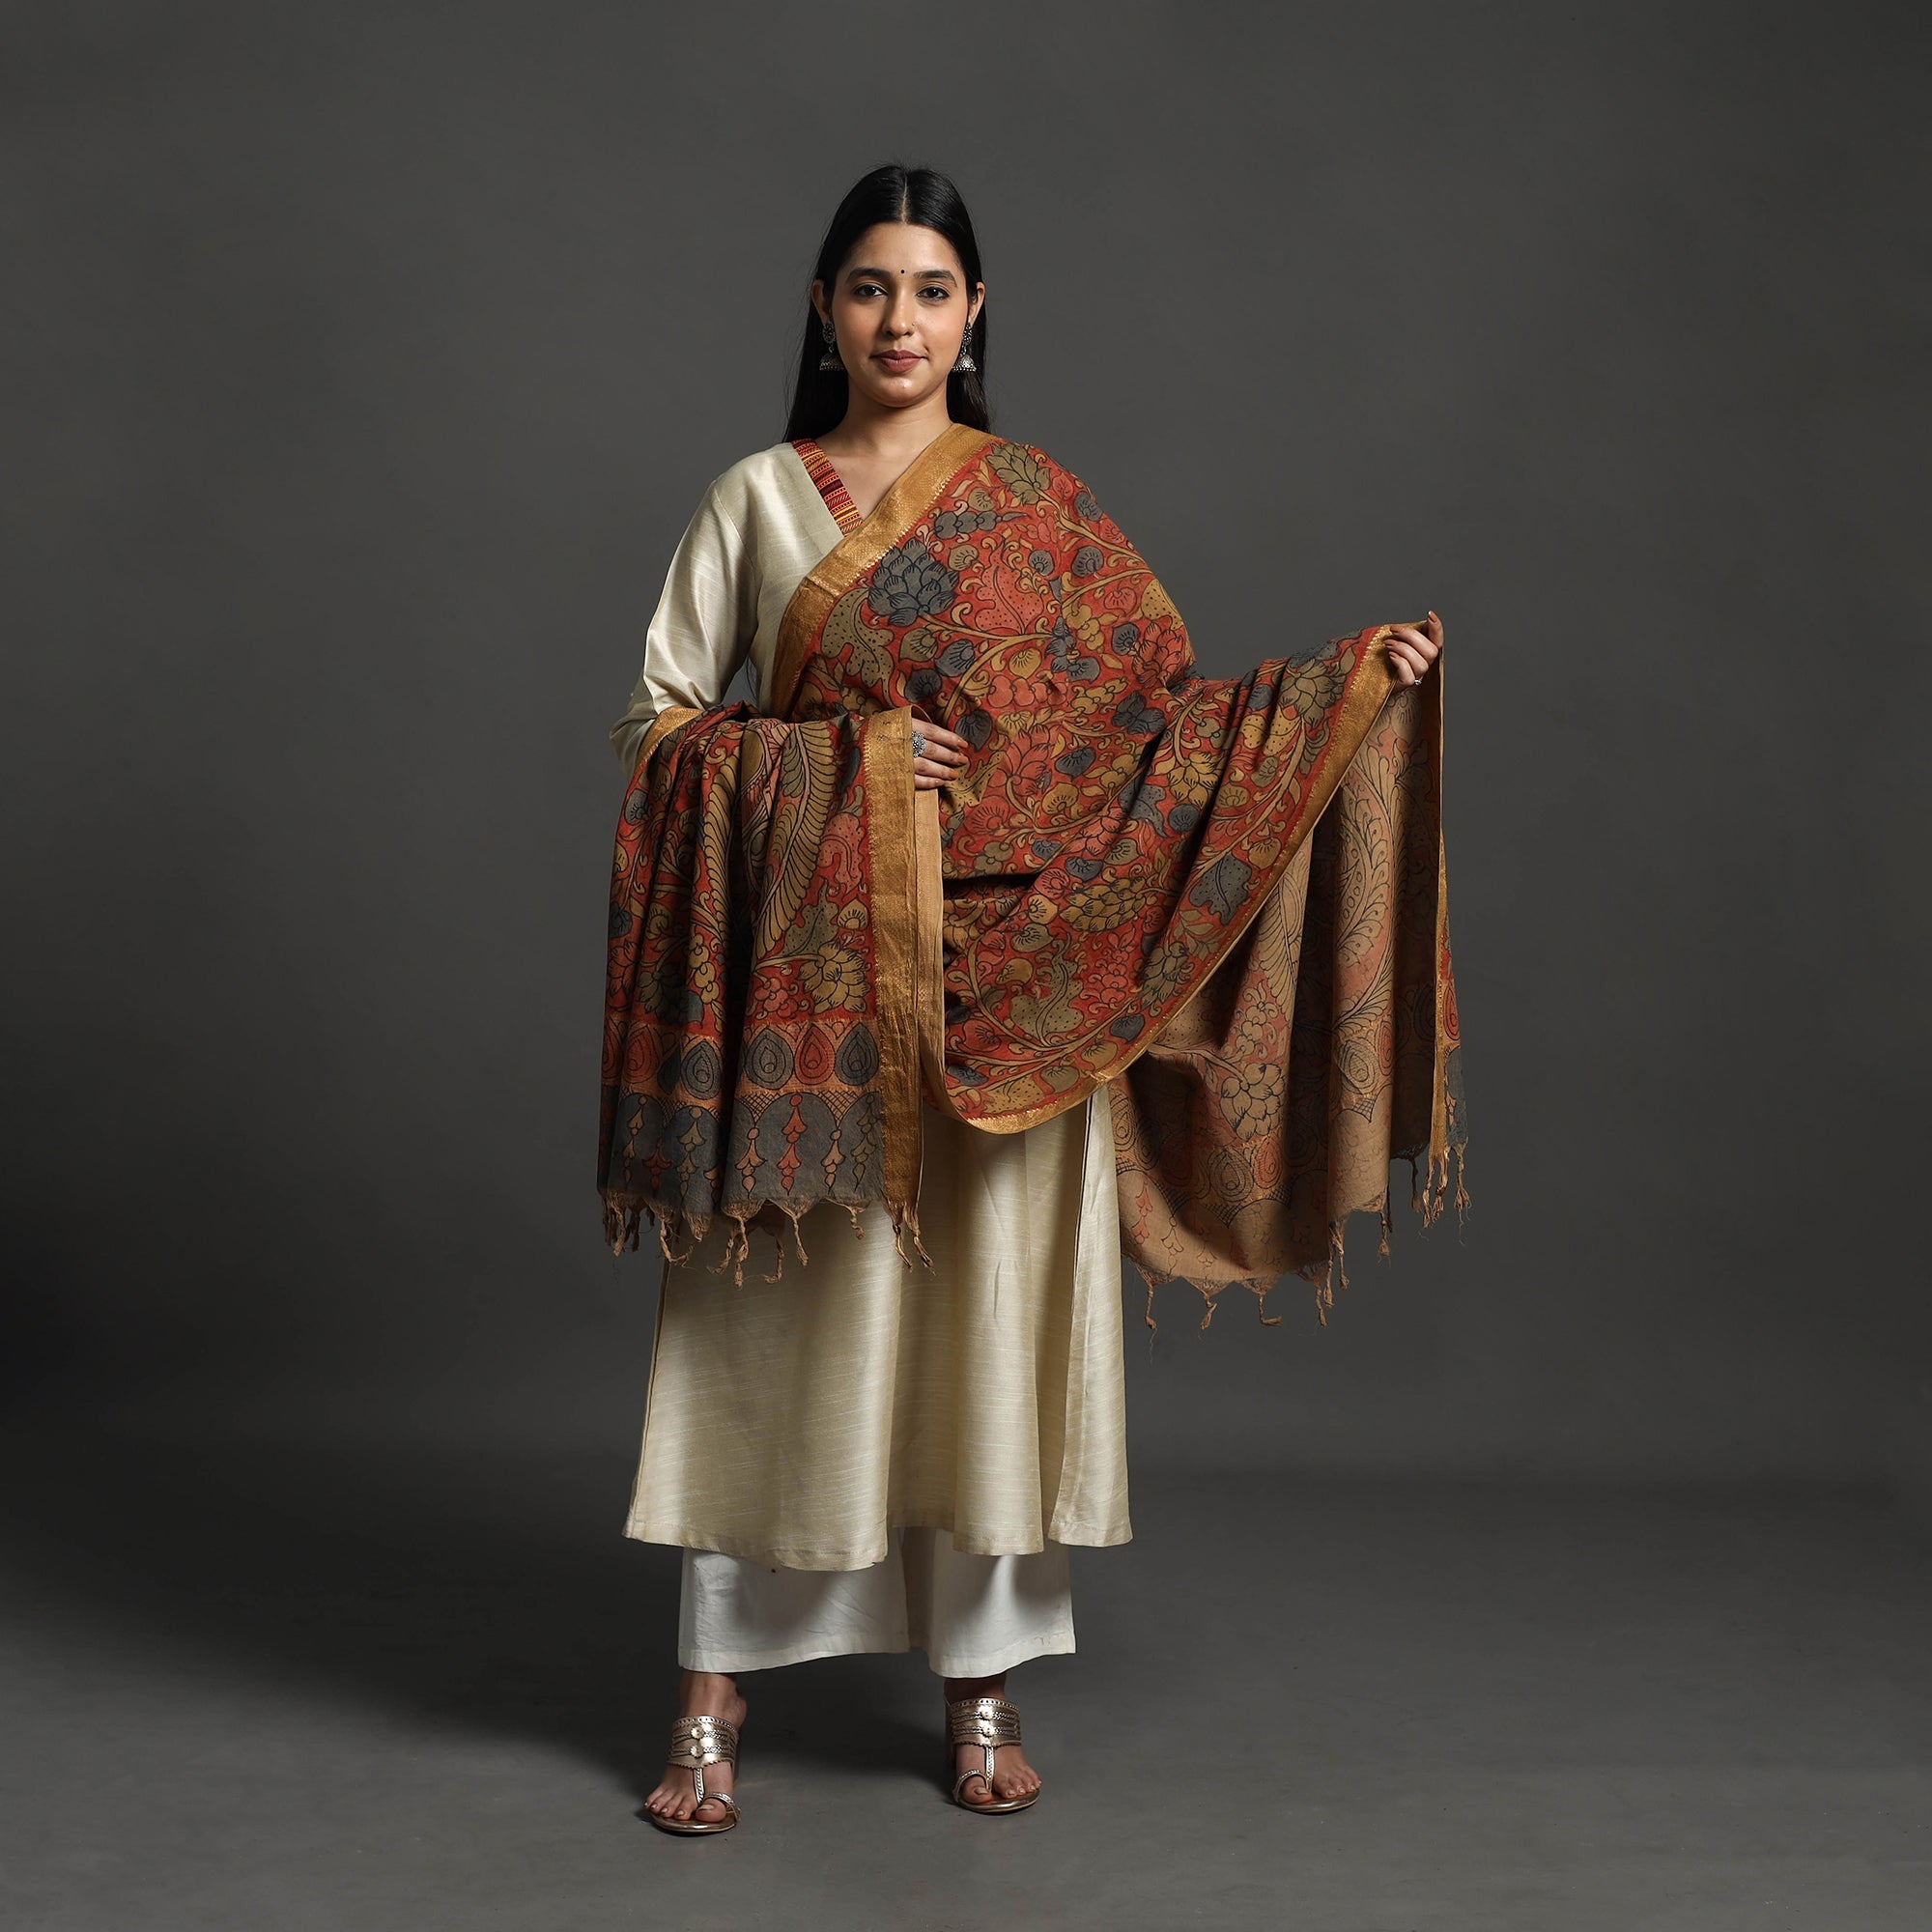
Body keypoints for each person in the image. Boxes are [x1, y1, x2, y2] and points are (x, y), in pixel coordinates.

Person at [605, 164, 1451, 1835]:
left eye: (930, 289)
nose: (899, 320)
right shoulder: (756, 502)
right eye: (868, 287)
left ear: (975, 312)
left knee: (988, 1334)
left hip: (1028, 991)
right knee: (772, 1334)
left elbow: (1155, 734)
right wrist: (846, 767)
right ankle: (711, 1698)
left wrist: (1339, 695)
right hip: (820, 1001)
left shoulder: (1038, 507)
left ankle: (980, 1688)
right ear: (825, 309)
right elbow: (659, 732)